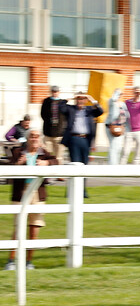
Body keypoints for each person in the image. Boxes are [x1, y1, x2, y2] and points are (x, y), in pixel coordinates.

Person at [4, 130, 59, 270]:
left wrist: (46, 163)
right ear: (27, 139)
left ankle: (29, 261)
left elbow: (56, 161)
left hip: (37, 193)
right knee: (18, 228)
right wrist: (19, 163)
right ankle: (11, 261)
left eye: (36, 136)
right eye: (31, 136)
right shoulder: (18, 152)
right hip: (21, 193)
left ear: (40, 139)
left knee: (34, 228)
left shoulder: (43, 153)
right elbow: (8, 168)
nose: (34, 139)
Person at [60, 92, 103, 198]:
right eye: (79, 99)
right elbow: (60, 107)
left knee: (84, 166)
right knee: (74, 165)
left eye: (83, 99)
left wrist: (91, 98)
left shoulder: (89, 110)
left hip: (86, 140)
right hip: (74, 139)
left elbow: (101, 111)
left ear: (85, 101)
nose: (80, 101)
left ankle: (82, 191)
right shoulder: (71, 109)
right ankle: (70, 191)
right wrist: (70, 97)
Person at [121, 86, 140, 164]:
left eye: (138, 92)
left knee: (139, 150)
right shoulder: (127, 102)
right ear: (133, 93)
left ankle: (136, 168)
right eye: (135, 92)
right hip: (128, 130)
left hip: (139, 131)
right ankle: (120, 168)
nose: (136, 94)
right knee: (125, 151)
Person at [40, 85, 67, 160]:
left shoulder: (62, 102)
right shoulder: (46, 101)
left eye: (56, 91)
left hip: (59, 134)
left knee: (58, 157)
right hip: (48, 133)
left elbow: (65, 116)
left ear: (59, 92)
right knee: (47, 155)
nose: (55, 93)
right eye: (53, 91)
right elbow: (43, 114)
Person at [105, 88, 130, 165]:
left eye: (121, 94)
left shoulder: (122, 104)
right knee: (113, 146)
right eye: (118, 94)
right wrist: (117, 92)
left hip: (120, 127)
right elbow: (113, 99)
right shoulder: (111, 101)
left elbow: (127, 114)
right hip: (111, 127)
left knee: (118, 147)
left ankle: (115, 164)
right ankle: (112, 165)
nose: (120, 96)